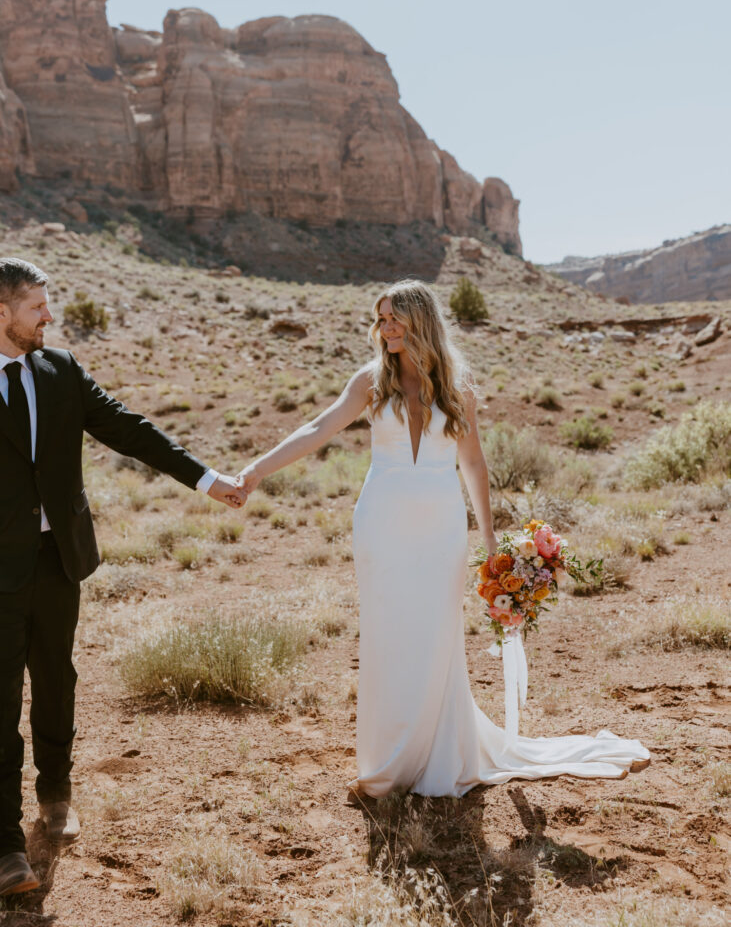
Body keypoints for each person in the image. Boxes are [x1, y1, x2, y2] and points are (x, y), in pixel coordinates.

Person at [236, 279, 650, 798]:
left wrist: (491, 534)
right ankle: (388, 763)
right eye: (381, 319)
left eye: (395, 319)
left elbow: (473, 462)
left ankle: (436, 754)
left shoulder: (458, 388)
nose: (385, 329)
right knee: (387, 635)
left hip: (440, 526)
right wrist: (254, 473)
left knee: (436, 635)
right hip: (381, 524)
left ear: (420, 323)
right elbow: (318, 428)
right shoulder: (370, 381)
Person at [0, 258, 243, 897]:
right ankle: (3, 843)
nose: (49, 317)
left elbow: (129, 429)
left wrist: (205, 478)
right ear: (1, 313)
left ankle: (56, 791)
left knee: (56, 680)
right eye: (35, 308)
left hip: (58, 561)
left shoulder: (61, 370)